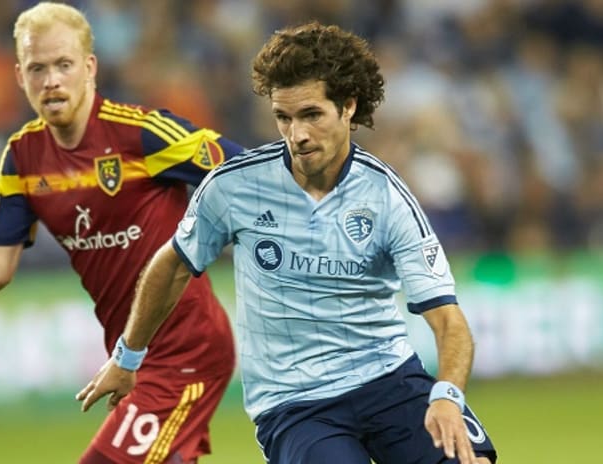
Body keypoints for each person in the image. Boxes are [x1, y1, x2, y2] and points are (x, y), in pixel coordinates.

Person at [78, 21, 497, 464]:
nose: (296, 135)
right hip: (296, 403)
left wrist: (447, 395)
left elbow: (448, 321)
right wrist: (128, 356)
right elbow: (172, 265)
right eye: (284, 117)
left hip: (389, 378)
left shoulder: (386, 196)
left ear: (348, 107)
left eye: (311, 115)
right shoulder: (233, 187)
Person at [0, 3, 242, 463]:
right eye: (37, 68)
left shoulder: (142, 134)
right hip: (131, 356)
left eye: (63, 65)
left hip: (185, 350)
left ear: (89, 67)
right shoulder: (23, 157)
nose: (51, 80)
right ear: (19, 76)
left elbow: (245, 172)